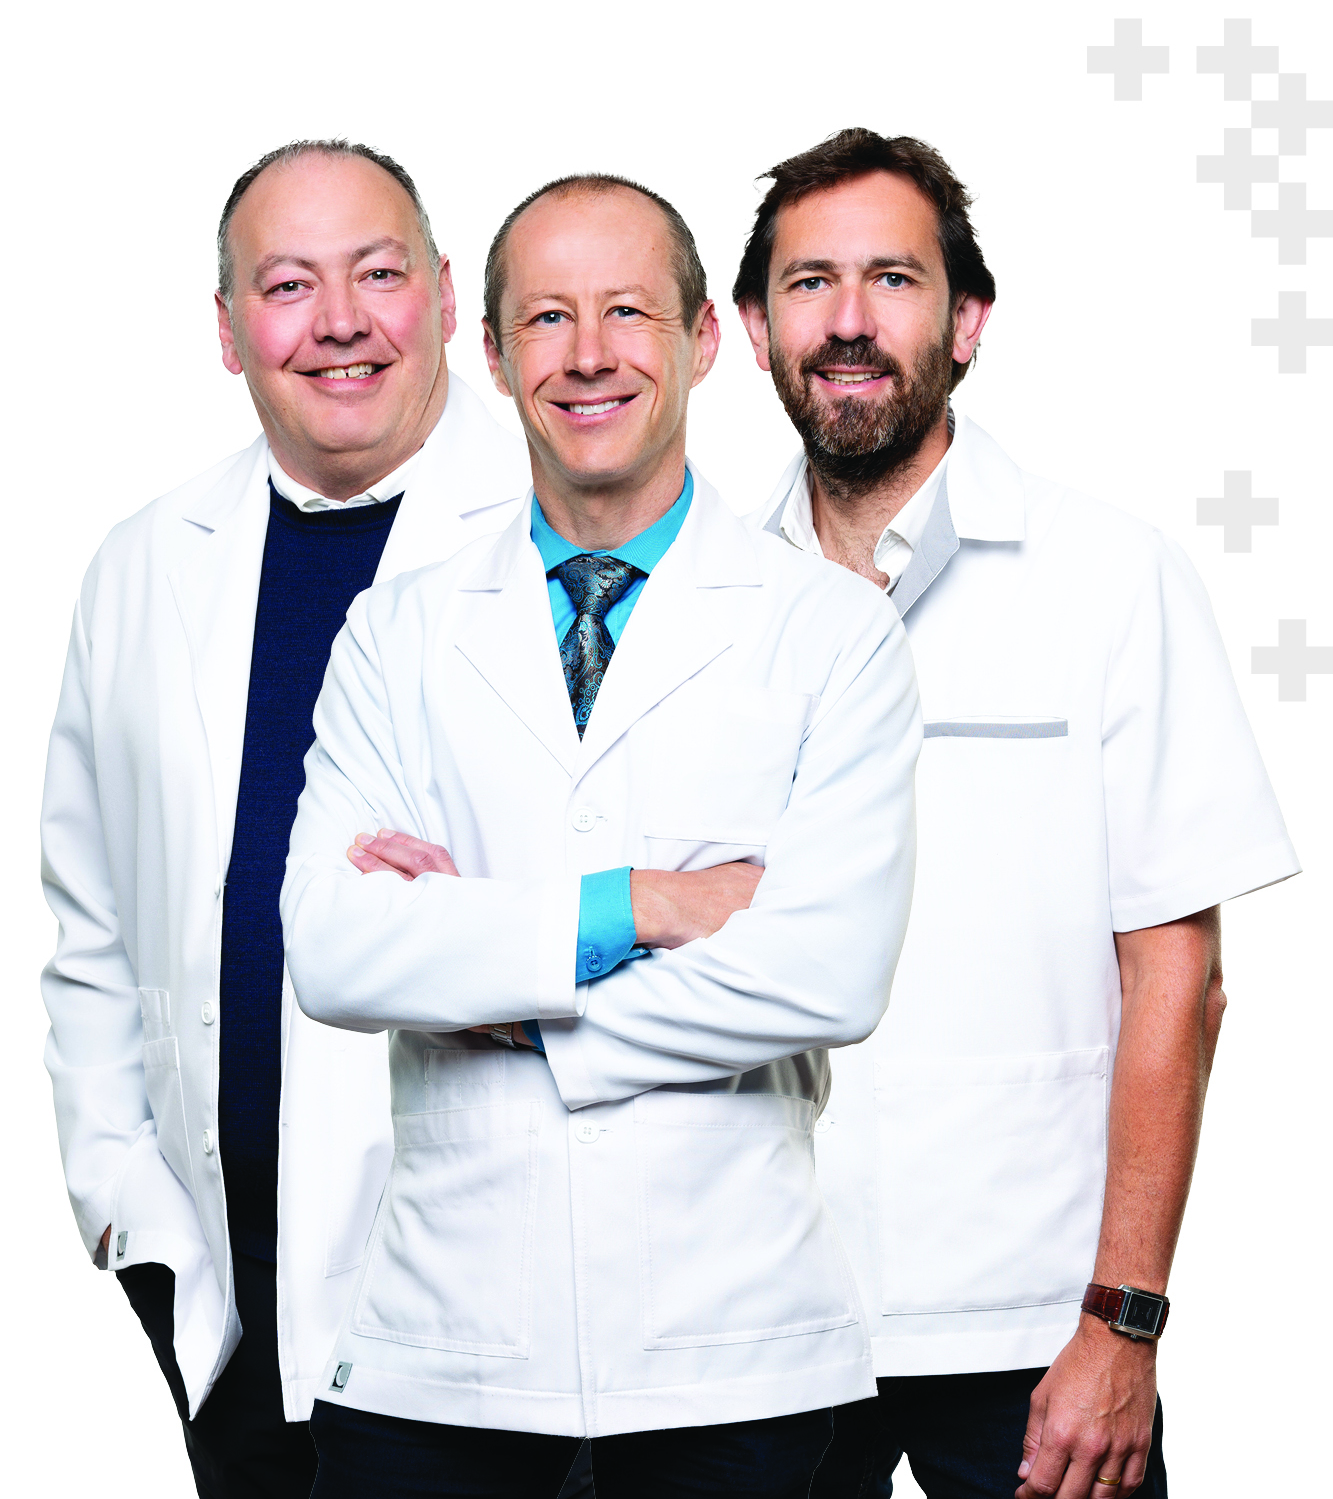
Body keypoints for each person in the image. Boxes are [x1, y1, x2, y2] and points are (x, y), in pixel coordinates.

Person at [277, 172, 922, 1498]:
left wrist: (495, 984)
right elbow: (334, 948)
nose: (587, 354)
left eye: (628, 310)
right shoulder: (397, 631)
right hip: (440, 1356)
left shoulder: (833, 633)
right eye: (547, 316)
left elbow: (829, 975)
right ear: (492, 350)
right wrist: (643, 903)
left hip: (729, 1355)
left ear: (702, 338)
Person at [735, 128, 1299, 1499]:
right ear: (753, 330)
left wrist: (1123, 1322)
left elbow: (1179, 978)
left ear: (967, 321)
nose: (849, 321)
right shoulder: (704, 602)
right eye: (809, 283)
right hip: (752, 1322)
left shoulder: (1110, 578)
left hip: (1038, 1331)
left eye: (893, 280)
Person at [40, 140, 530, 1498]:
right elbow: (92, 924)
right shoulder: (143, 564)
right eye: (289, 285)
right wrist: (130, 1221)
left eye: (378, 274)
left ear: (446, 296)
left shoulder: (571, 527)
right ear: (226, 329)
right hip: (232, 1305)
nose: (341, 323)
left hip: (506, 1314)